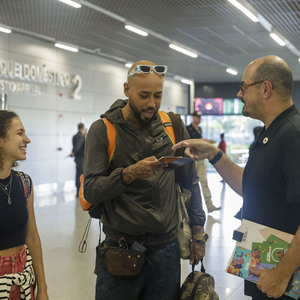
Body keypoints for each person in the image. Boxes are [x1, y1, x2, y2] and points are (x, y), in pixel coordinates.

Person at [172, 55, 300, 300]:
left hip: (286, 279)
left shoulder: (293, 135)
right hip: (265, 270)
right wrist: (214, 154)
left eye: (244, 87)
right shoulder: (269, 133)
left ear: (266, 88)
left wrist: (282, 273)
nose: (240, 94)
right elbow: (251, 187)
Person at [84, 60, 207, 300]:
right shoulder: (103, 129)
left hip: (166, 249)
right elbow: (91, 190)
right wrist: (129, 174)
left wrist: (198, 232)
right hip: (121, 250)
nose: (151, 103)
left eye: (158, 95)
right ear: (126, 90)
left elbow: (189, 182)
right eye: (144, 95)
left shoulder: (173, 126)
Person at [0, 110, 48, 299]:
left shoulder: (24, 183)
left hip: (23, 281)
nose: (27, 139)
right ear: (1, 140)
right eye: (20, 133)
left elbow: (32, 237)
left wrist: (42, 288)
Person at [186, 111, 221, 213]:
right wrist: (204, 140)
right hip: (191, 160)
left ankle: (209, 205)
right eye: (197, 117)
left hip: (200, 160)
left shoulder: (199, 129)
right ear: (193, 117)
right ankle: (192, 208)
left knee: (204, 182)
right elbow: (190, 142)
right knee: (191, 184)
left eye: (200, 117)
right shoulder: (188, 129)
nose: (199, 119)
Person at [70, 122, 86, 197]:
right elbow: (78, 146)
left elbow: (74, 146)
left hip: (77, 159)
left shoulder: (74, 136)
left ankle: (78, 191)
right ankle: (80, 192)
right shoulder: (81, 137)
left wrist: (73, 152)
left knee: (78, 175)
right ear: (82, 128)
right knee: (81, 176)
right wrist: (74, 152)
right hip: (82, 159)